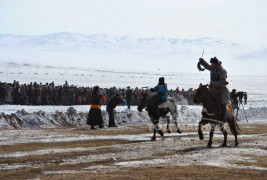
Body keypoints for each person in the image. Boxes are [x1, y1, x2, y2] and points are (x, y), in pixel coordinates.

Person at [199, 57, 229, 122]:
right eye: (211, 64)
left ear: (216, 64)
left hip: (222, 90)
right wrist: (201, 61)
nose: (211, 65)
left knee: (223, 102)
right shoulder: (213, 68)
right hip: (213, 89)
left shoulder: (222, 71)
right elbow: (207, 66)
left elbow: (222, 81)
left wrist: (213, 84)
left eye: (212, 64)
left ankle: (223, 117)